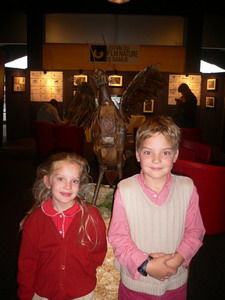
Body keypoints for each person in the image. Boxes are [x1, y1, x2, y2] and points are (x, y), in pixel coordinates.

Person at [108, 115, 205, 300]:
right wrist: (146, 265)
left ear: (175, 154)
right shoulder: (125, 190)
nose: (156, 159)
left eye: (165, 153)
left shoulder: (187, 188)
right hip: (136, 285)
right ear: (137, 154)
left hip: (174, 282)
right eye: (148, 152)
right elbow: (118, 237)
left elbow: (196, 231)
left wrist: (176, 260)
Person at [17, 152, 107, 300]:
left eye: (74, 181)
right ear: (47, 181)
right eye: (60, 179)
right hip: (44, 292)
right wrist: (26, 293)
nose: (67, 186)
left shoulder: (91, 216)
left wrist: (86, 271)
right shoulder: (35, 221)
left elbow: (98, 251)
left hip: (81, 292)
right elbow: (27, 263)